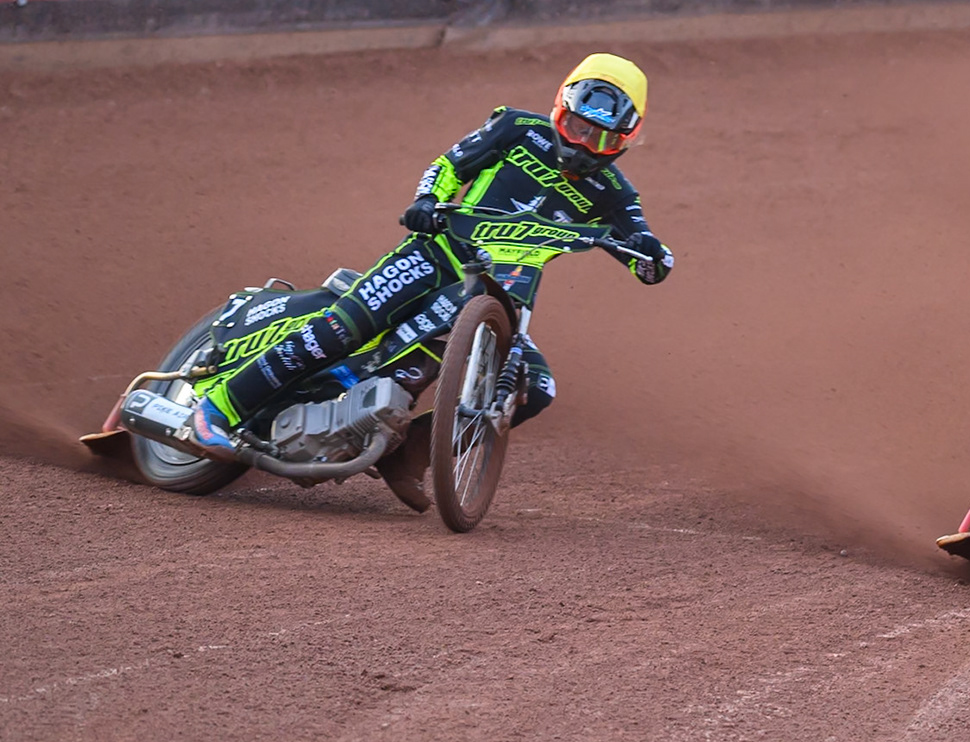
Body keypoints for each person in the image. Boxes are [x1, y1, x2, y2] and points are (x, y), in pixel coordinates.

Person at [187, 53, 673, 509]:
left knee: (536, 388)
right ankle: (218, 407)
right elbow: (448, 166)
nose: (584, 144)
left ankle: (410, 455)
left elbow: (646, 252)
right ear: (558, 111)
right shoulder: (517, 128)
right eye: (576, 127)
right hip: (436, 253)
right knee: (344, 328)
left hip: (502, 289)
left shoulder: (614, 194)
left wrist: (651, 256)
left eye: (601, 138)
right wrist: (427, 199)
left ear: (627, 139)